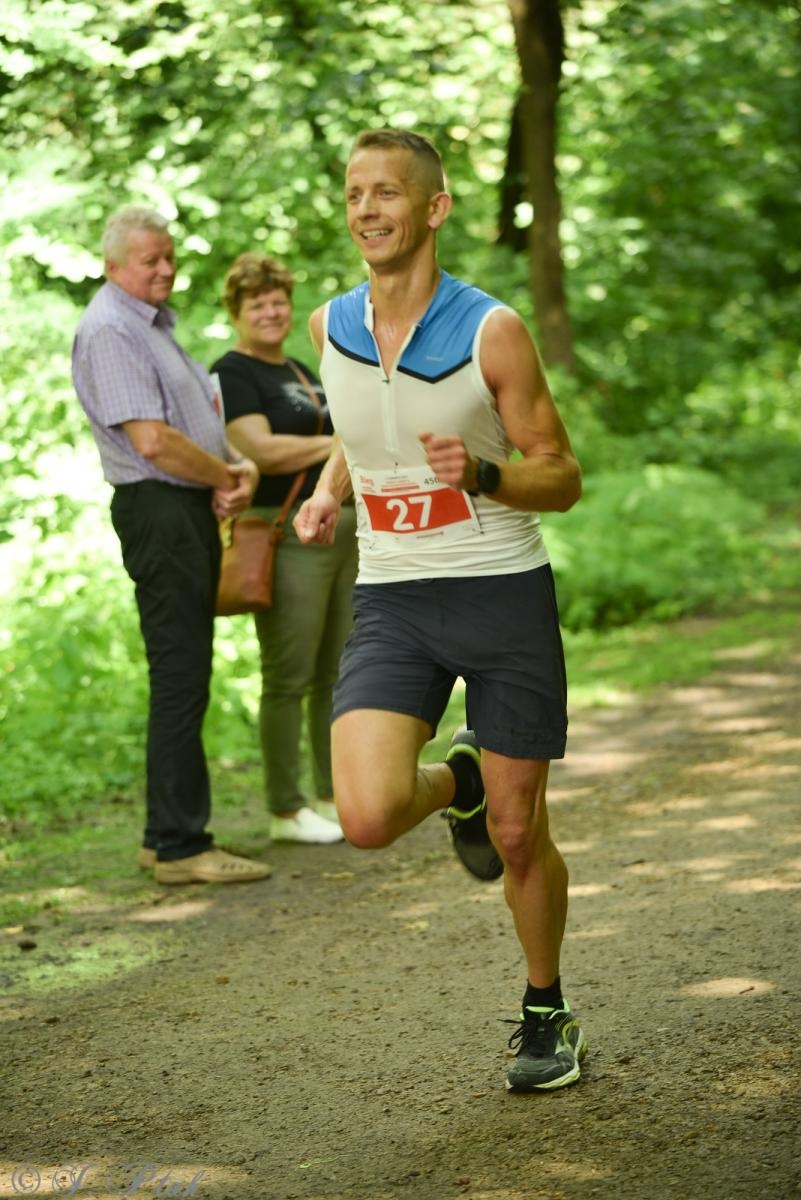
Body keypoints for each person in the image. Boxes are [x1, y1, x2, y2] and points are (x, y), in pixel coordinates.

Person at [294, 130, 587, 1091]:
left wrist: (490, 472)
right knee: (369, 815)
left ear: (433, 208)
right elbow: (358, 418)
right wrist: (335, 486)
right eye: (352, 195)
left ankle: (545, 1008)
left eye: (386, 193)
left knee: (515, 832)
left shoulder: (489, 329)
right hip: (393, 593)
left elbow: (563, 475)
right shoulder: (327, 326)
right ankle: (451, 781)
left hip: (499, 590)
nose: (366, 210)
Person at [72, 206, 270, 886]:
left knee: (184, 675)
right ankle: (185, 847)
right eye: (149, 260)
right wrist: (223, 476)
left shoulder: (148, 326)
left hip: (182, 507)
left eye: (168, 256)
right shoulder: (110, 330)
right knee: (182, 676)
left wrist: (225, 471)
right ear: (113, 265)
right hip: (161, 513)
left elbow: (187, 424)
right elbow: (151, 440)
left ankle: (164, 837)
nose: (163, 268)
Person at [211, 253, 356, 844]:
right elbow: (262, 452)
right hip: (285, 530)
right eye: (257, 304)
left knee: (335, 672)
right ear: (237, 312)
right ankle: (284, 808)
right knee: (288, 674)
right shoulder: (232, 371)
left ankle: (330, 793)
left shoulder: (302, 368)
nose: (271, 312)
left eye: (278, 301)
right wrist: (338, 446)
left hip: (342, 528)